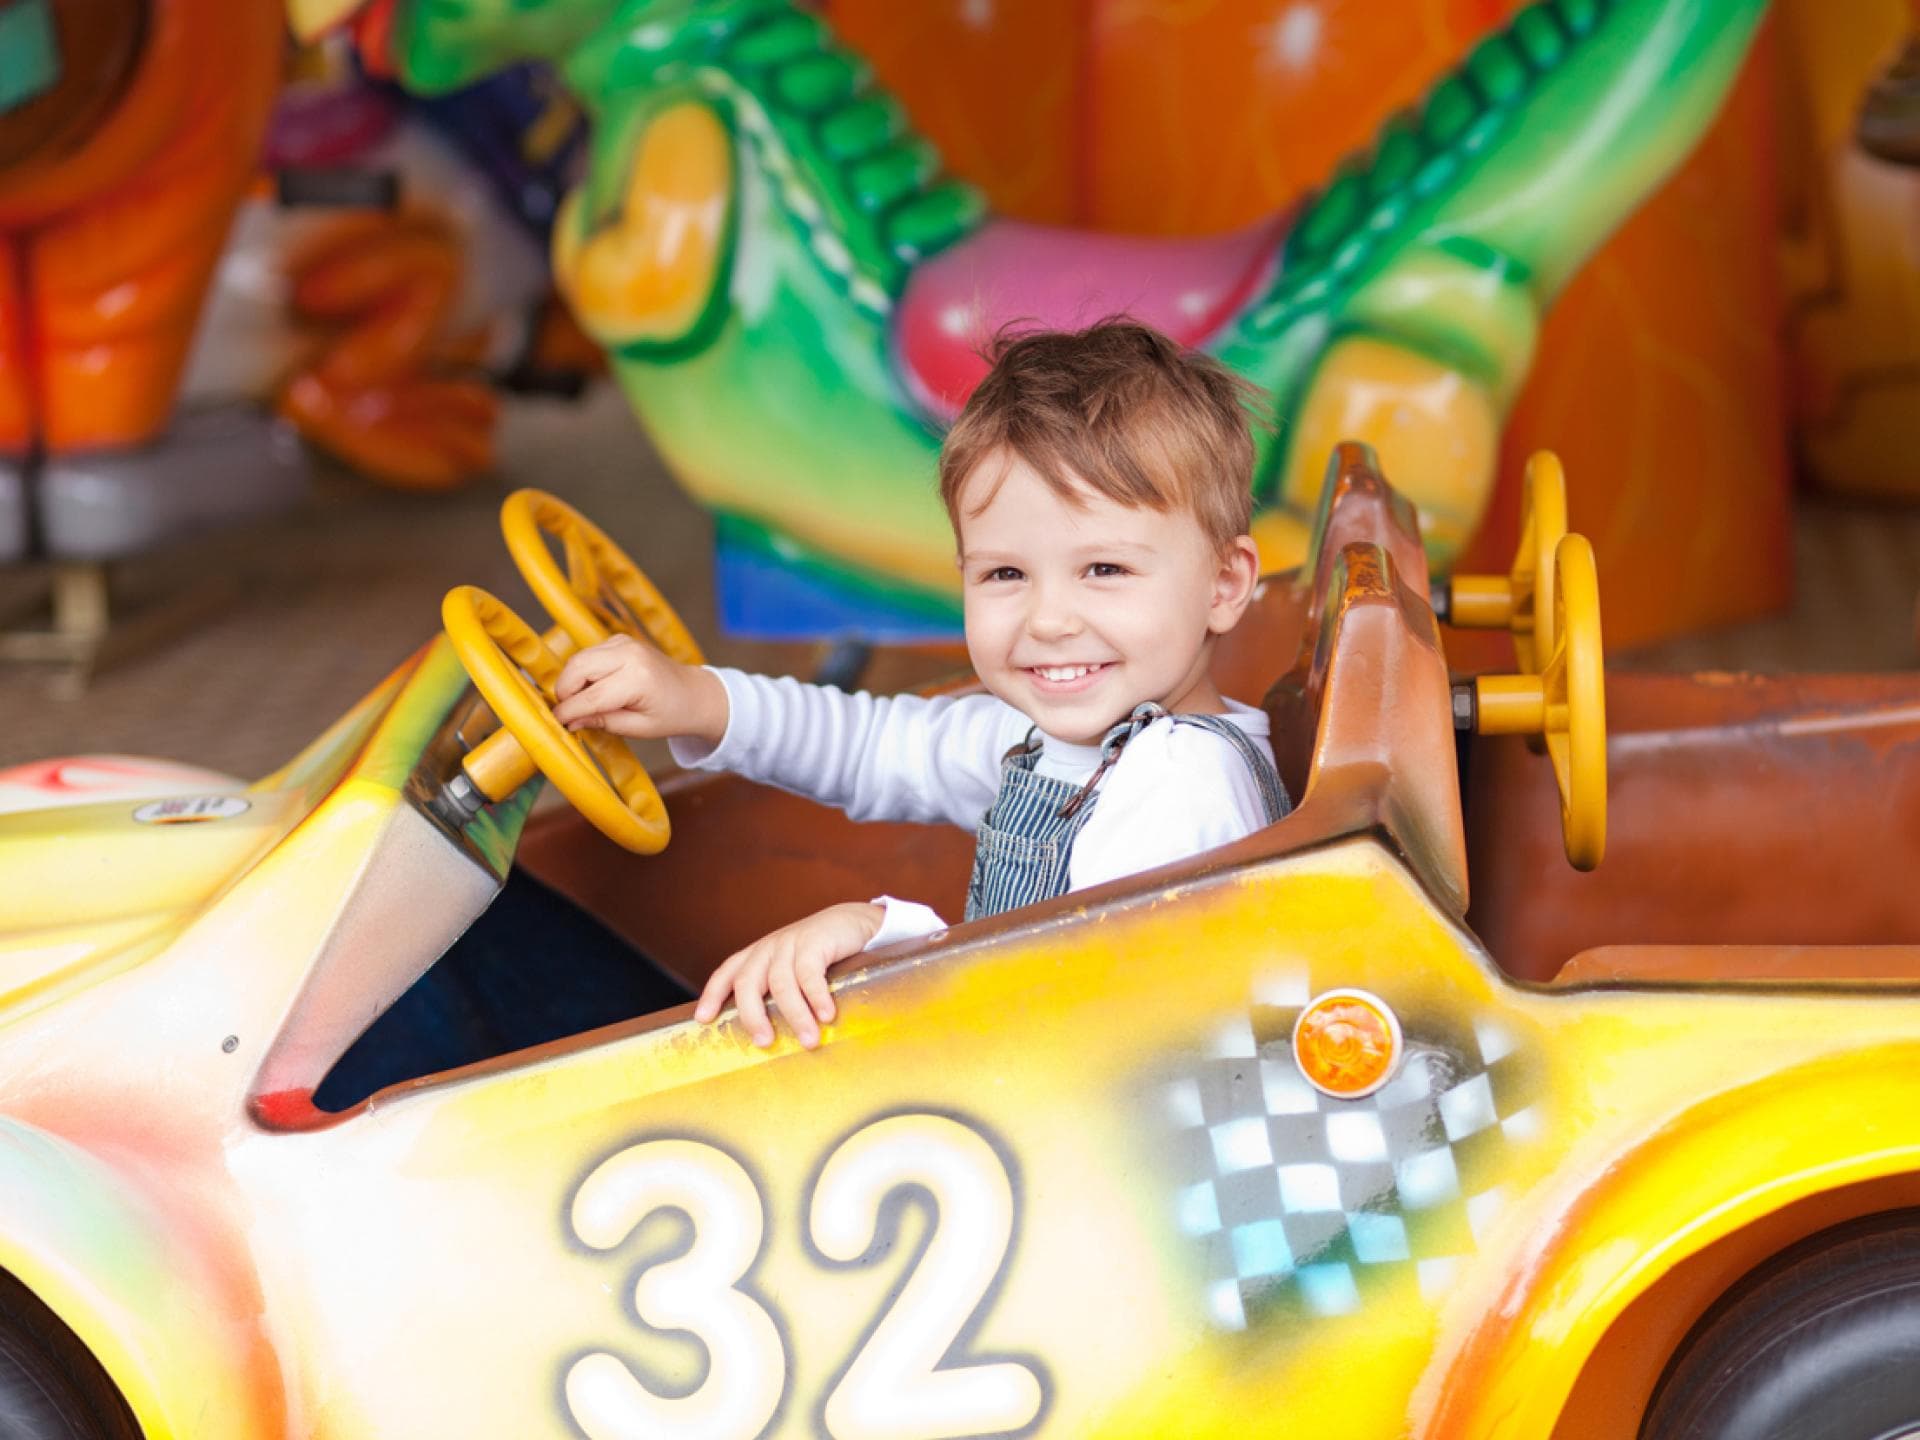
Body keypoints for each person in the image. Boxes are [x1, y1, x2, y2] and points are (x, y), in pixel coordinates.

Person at [552, 319, 1290, 1050]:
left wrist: (888, 935)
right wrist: (697, 700)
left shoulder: (1177, 785)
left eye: (1105, 570)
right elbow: (878, 746)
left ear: (1224, 584)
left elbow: (1079, 1032)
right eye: (1006, 573)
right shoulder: (1062, 740)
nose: (1049, 620)